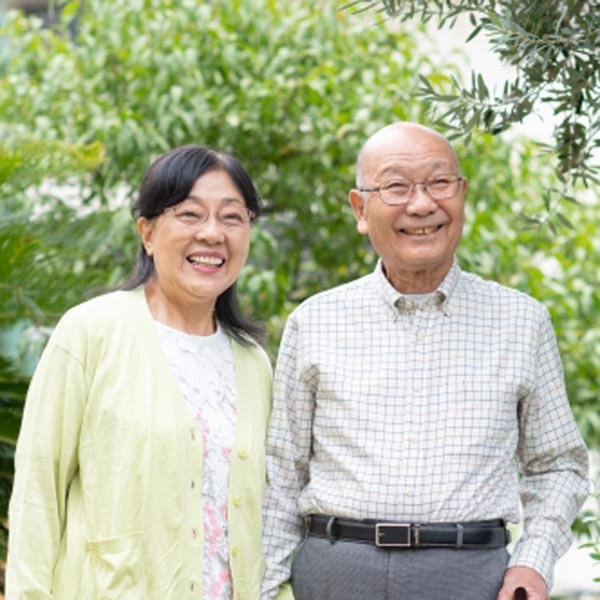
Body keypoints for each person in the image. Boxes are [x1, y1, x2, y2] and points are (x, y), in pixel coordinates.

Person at [261, 122, 589, 600]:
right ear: (360, 209)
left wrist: (532, 562)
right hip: (336, 575)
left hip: (472, 578)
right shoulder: (313, 321)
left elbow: (559, 465)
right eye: (396, 186)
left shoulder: (522, 321)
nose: (421, 205)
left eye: (439, 183)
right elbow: (281, 474)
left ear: (462, 194)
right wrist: (267, 589)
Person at [6, 145, 272, 599]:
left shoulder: (253, 362)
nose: (212, 233)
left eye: (232, 217)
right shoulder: (90, 332)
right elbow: (37, 492)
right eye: (190, 214)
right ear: (147, 232)